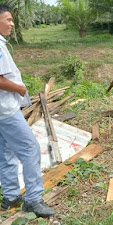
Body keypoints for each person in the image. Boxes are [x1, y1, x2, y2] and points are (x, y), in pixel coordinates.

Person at [0, 4, 56, 217]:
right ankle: (33, 200)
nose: (12, 24)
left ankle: (12, 196)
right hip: (5, 110)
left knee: (5, 152)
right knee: (30, 149)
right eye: (8, 19)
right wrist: (21, 88)